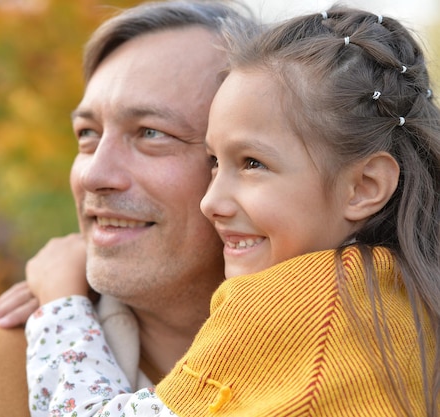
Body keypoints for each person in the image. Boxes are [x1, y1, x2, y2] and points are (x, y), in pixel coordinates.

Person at [25, 5, 440, 416]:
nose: (211, 202)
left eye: (252, 163)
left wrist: (61, 305)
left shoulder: (289, 304)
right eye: (214, 162)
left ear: (364, 187)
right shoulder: (405, 296)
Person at [0, 2, 258, 416]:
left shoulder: (334, 366)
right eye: (87, 134)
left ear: (251, 162)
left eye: (151, 133)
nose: (93, 175)